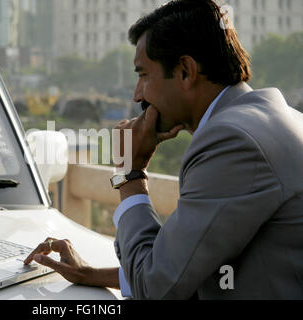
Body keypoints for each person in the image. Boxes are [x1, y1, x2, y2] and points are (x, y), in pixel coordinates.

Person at [24, 0, 303, 299]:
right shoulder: (271, 118)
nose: (136, 95)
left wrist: (129, 174)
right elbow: (189, 266)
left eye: (143, 75)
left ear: (185, 71)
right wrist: (89, 274)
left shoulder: (232, 141)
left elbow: (155, 287)